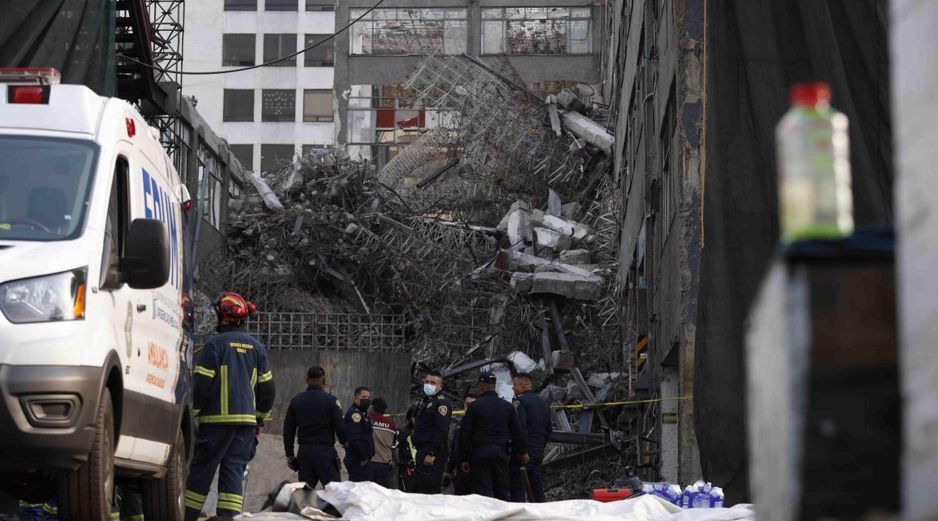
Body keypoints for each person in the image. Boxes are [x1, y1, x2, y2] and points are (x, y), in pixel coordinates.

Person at [185, 292, 275, 520]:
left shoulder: (215, 345)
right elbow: (268, 390)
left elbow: (202, 384)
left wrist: (191, 414)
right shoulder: (257, 348)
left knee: (201, 471)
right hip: (245, 426)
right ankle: (228, 517)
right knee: (234, 472)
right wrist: (259, 418)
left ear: (224, 317)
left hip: (214, 424)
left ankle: (186, 515)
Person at [459, 372, 527, 500]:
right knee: (501, 491)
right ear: (494, 386)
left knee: (482, 492)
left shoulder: (474, 407)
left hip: (480, 454)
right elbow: (518, 433)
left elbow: (465, 434)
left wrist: (464, 458)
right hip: (500, 453)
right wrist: (520, 452)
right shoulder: (507, 407)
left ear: (482, 387)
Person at [283, 366, 347, 489]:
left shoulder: (296, 401)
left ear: (307, 380)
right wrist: (345, 442)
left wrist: (290, 454)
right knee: (334, 494)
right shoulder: (331, 401)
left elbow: (288, 431)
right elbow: (340, 427)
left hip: (305, 453)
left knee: (305, 495)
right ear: (323, 380)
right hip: (325, 453)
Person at [509, 373, 553, 502]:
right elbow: (548, 430)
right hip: (538, 451)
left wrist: (522, 451)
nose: (512, 388)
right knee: (537, 489)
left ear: (522, 386)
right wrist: (539, 448)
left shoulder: (519, 401)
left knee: (517, 489)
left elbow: (520, 428)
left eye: (515, 385)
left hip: (524, 453)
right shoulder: (543, 402)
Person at [412, 370, 453, 494]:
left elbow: (441, 430)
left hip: (431, 452)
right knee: (420, 488)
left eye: (433, 383)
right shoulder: (427, 402)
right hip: (422, 449)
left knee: (429, 489)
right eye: (427, 382)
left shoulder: (441, 404)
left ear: (440, 387)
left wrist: (431, 453)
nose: (429, 385)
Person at [443, 394, 477, 495]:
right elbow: (455, 448)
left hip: (475, 471)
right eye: (467, 405)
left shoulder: (481, 426)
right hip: (460, 471)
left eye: (472, 405)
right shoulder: (460, 425)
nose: (468, 408)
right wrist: (448, 470)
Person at [343, 387, 375, 482]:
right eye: (364, 397)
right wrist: (363, 457)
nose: (367, 400)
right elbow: (354, 439)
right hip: (358, 461)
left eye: (369, 398)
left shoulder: (363, 414)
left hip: (362, 461)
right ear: (356, 398)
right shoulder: (355, 415)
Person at [369, 398, 398, 488]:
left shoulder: (369, 420)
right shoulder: (391, 424)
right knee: (382, 495)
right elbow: (394, 443)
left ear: (372, 408)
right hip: (385, 465)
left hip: (370, 463)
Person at [396, 405, 419, 491]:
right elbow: (393, 447)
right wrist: (399, 462)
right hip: (406, 468)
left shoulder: (424, 432)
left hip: (421, 469)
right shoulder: (403, 431)